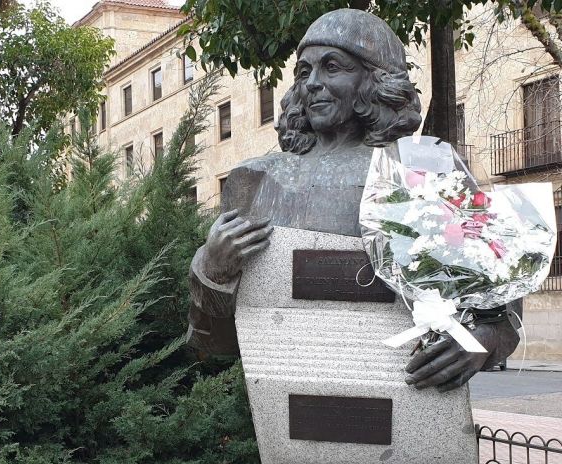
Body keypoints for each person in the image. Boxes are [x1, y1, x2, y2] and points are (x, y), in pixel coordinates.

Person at [187, 8, 519, 391]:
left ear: (374, 79)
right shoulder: (255, 180)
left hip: (407, 399)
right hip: (289, 402)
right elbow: (216, 344)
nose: (312, 82)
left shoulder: (428, 169)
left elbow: (497, 307)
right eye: (304, 71)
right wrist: (211, 270)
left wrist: (480, 341)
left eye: (332, 67)